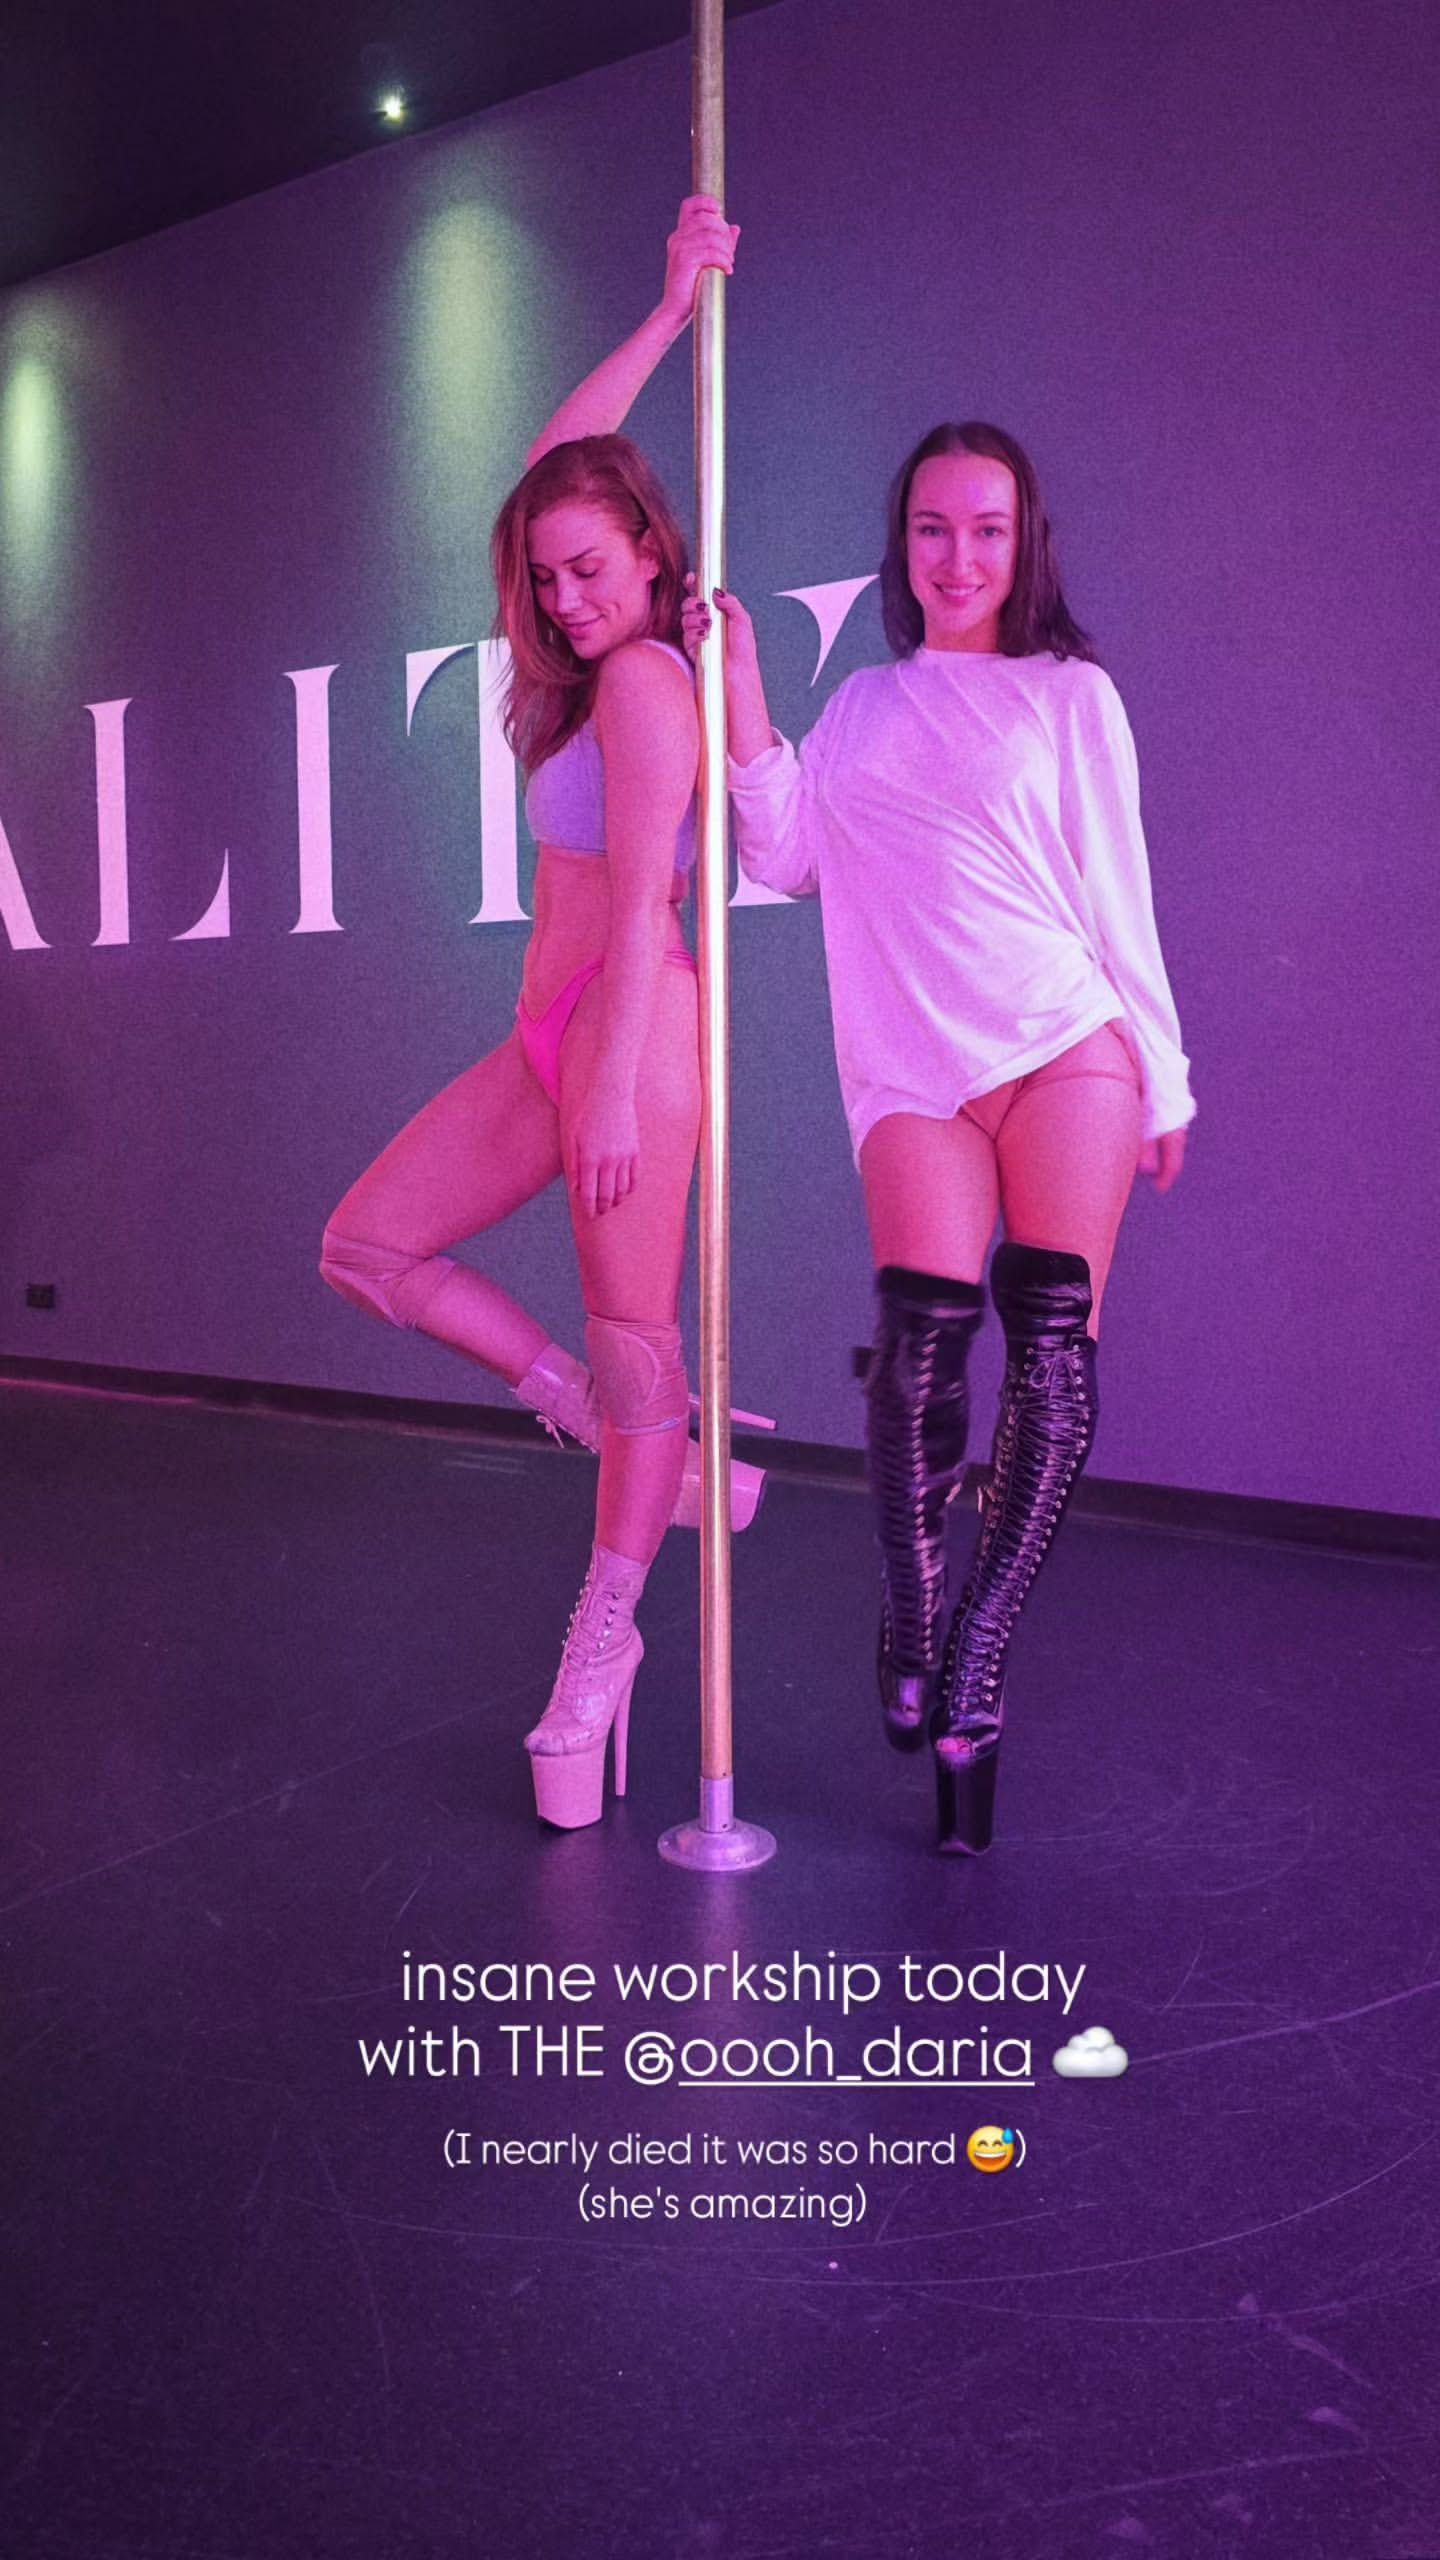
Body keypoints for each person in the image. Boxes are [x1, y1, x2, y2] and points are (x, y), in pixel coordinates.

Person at [685, 422, 1194, 1854]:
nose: (958, 557)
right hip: (912, 1067)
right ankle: (913, 1602)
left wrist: (1163, 1076)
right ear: (900, 545)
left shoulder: (1072, 697)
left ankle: (979, 1658)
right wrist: (745, 697)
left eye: (986, 529)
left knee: (1053, 1354)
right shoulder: (861, 708)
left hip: (1065, 1044)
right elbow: (784, 854)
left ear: (1024, 544)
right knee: (920, 1349)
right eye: (931, 528)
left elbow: (1120, 891)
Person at [319, 198, 750, 1832]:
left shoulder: (647, 682)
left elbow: (644, 906)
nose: (564, 598)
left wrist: (616, 1095)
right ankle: (623, 1432)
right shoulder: (583, 657)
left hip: (630, 1039)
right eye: (547, 575)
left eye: (590, 569)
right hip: (549, 1043)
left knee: (644, 1354)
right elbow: (556, 463)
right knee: (368, 1246)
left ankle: (601, 1648)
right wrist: (665, 310)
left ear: (652, 551)